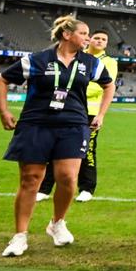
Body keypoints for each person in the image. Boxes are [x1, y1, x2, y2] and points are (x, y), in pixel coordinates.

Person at [0, 15, 113, 257]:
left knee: (68, 178)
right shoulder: (37, 60)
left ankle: (57, 223)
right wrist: (3, 111)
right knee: (31, 178)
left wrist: (101, 114)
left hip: (73, 124)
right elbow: (1, 80)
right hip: (36, 124)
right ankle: (19, 237)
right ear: (67, 35)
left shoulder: (90, 63)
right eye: (83, 33)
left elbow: (108, 85)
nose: (87, 38)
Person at [38, 28, 118, 202]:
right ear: (89, 39)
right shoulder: (77, 56)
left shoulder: (109, 62)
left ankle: (87, 188)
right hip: (65, 108)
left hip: (90, 111)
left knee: (87, 149)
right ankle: (45, 188)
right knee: (55, 146)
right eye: (96, 38)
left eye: (103, 39)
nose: (99, 41)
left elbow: (102, 86)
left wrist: (74, 89)